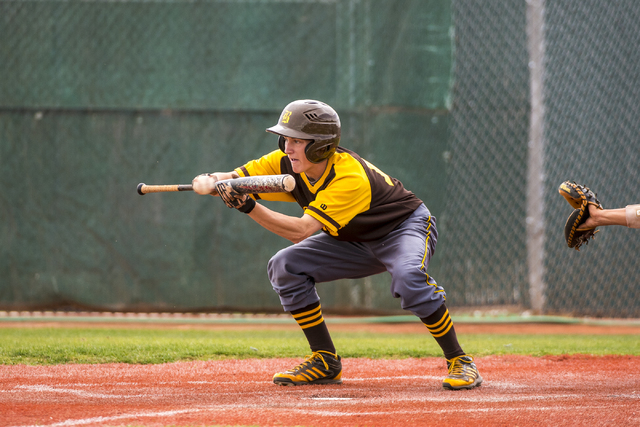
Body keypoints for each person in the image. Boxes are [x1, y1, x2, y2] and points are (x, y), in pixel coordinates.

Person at [192, 99, 482, 390]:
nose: (287, 148)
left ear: (321, 146)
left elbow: (301, 231)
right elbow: (235, 177)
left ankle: (460, 360)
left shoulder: (348, 177)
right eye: (285, 139)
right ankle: (325, 361)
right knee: (285, 265)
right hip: (353, 239)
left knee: (409, 278)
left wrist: (248, 207)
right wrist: (212, 179)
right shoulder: (285, 162)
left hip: (402, 229)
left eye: (297, 141)